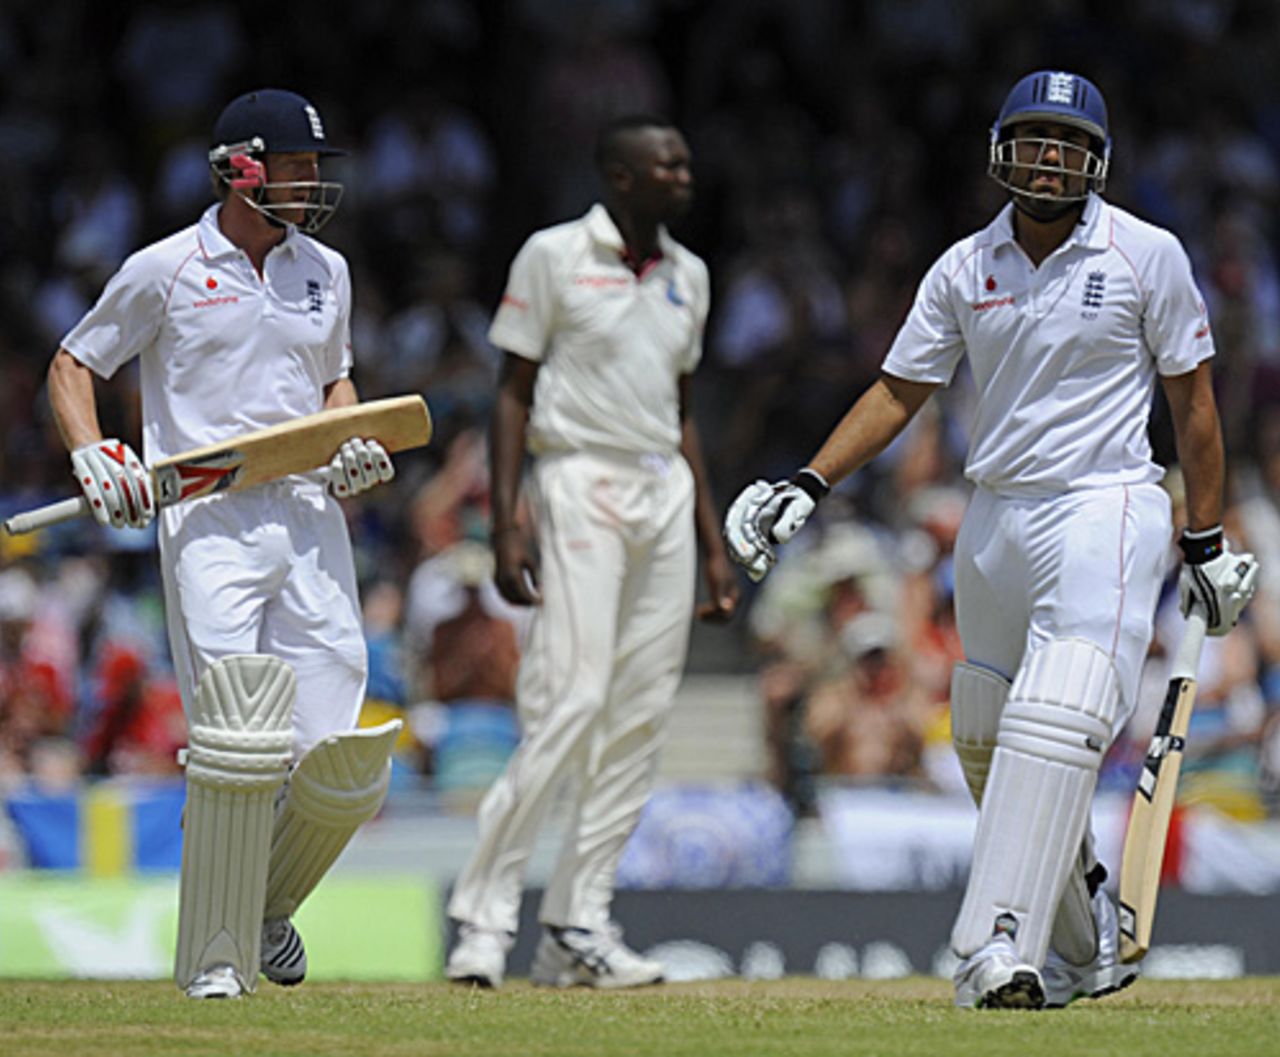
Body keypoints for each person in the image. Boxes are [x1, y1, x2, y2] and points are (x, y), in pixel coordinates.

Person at [723, 70, 1260, 1009]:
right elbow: (899, 390)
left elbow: (1196, 405)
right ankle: (1086, 937)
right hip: (993, 515)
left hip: (1104, 502)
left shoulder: (1147, 253)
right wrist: (808, 480)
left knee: (1056, 714)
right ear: (1001, 151)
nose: (1050, 159)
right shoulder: (964, 266)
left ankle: (994, 944)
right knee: (983, 729)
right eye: (1035, 139)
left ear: (1097, 161)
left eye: (1070, 144)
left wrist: (1206, 539)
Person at [46, 88, 404, 999]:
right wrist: (94, 453)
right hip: (211, 519)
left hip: (310, 514)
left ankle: (263, 904)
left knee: (338, 759)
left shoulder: (327, 269)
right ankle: (214, 957)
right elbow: (75, 362)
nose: (312, 182)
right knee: (239, 739)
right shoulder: (165, 268)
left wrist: (348, 440)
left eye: (316, 166)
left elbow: (333, 382)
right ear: (243, 169)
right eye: (297, 166)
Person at [445, 113, 739, 989]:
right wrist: (506, 523)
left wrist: (712, 543)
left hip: (663, 489)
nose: (683, 176)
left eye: (685, 163)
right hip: (578, 477)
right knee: (570, 699)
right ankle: (484, 918)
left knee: (640, 715)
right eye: (666, 165)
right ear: (620, 177)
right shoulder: (553, 254)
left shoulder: (690, 274)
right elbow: (512, 393)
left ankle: (577, 922)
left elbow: (681, 410)